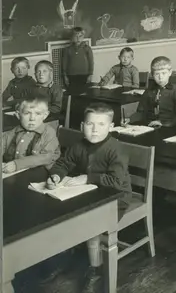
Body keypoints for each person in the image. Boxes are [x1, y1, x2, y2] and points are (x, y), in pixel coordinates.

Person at [47, 102, 132, 288]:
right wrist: (56, 175)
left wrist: (88, 178)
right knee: (59, 214)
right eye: (89, 124)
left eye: (101, 124)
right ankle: (64, 257)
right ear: (81, 126)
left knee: (92, 225)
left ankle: (96, 268)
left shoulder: (115, 149)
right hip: (90, 195)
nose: (94, 129)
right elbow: (63, 163)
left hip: (117, 199)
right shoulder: (79, 145)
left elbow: (117, 181)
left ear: (111, 127)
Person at [2, 95, 60, 173]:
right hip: (15, 172)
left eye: (38, 114)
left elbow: (46, 157)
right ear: (18, 115)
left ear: (45, 115)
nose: (32, 118)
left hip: (41, 172)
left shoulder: (49, 133)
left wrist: (17, 164)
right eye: (27, 113)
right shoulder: (13, 132)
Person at [129, 56, 176, 127]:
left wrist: (164, 124)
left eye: (163, 73)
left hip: (169, 127)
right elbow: (140, 112)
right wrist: (129, 119)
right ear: (152, 75)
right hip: (149, 126)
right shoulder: (149, 91)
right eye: (157, 74)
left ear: (170, 72)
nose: (160, 77)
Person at [62, 27, 94, 94]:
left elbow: (91, 62)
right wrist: (65, 76)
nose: (78, 38)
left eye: (80, 36)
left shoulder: (87, 48)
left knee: (83, 93)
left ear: (83, 37)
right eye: (76, 36)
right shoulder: (67, 50)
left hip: (84, 75)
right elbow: (64, 63)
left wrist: (90, 74)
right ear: (72, 37)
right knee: (73, 93)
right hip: (71, 75)